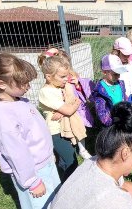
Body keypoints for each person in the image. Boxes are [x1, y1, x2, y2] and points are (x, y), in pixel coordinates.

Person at [0, 53, 61, 209]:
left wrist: (48, 156)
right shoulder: (3, 118)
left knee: (56, 201)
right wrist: (32, 182)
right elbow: (16, 154)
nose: (28, 86)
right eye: (23, 83)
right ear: (1, 84)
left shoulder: (20, 102)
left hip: (44, 165)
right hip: (33, 173)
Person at [38, 52, 88, 181]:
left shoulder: (61, 86)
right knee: (71, 162)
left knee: (63, 161)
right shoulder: (46, 92)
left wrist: (65, 109)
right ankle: (67, 189)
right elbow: (70, 108)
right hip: (57, 132)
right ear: (49, 77)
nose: (66, 79)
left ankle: (61, 183)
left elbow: (70, 105)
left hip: (66, 129)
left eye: (66, 76)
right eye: (62, 77)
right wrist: (74, 104)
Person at [44, 48, 94, 158]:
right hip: (66, 108)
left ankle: (82, 148)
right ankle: (69, 146)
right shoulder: (52, 84)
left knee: (79, 127)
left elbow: (79, 92)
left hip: (76, 108)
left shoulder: (72, 75)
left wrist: (77, 85)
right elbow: (56, 100)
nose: (65, 78)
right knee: (69, 128)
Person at [92, 54, 127, 127]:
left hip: (123, 120)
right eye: (115, 74)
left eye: (119, 73)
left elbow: (123, 98)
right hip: (111, 124)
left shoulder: (120, 84)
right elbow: (101, 112)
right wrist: (112, 122)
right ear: (104, 72)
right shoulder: (100, 91)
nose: (119, 76)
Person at [112, 37, 132, 109]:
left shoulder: (130, 64)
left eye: (129, 54)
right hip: (119, 99)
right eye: (125, 55)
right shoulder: (113, 66)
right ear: (117, 52)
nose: (127, 57)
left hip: (131, 96)